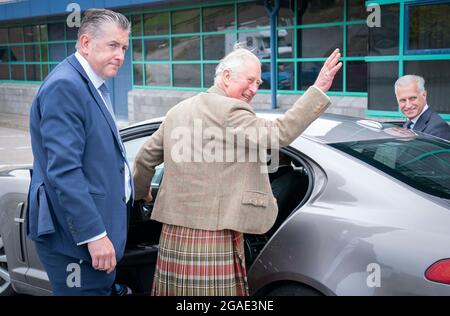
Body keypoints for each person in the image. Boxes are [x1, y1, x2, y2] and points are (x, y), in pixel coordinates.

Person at [132, 45, 342, 296]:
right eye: (250, 80)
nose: (254, 88)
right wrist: (317, 90)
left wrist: (142, 194)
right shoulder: (231, 110)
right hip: (213, 236)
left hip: (173, 234)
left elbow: (145, 158)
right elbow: (280, 133)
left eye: (259, 82)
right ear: (227, 76)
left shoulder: (178, 111)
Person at [28, 9, 133, 295]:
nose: (120, 55)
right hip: (76, 241)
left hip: (91, 236)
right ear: (86, 43)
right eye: (113, 45)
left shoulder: (91, 85)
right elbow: (64, 171)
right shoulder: (66, 86)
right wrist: (95, 235)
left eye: (124, 47)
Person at [395, 75, 450, 140]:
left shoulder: (438, 128)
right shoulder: (409, 123)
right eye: (403, 100)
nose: (408, 105)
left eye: (412, 98)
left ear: (424, 95)